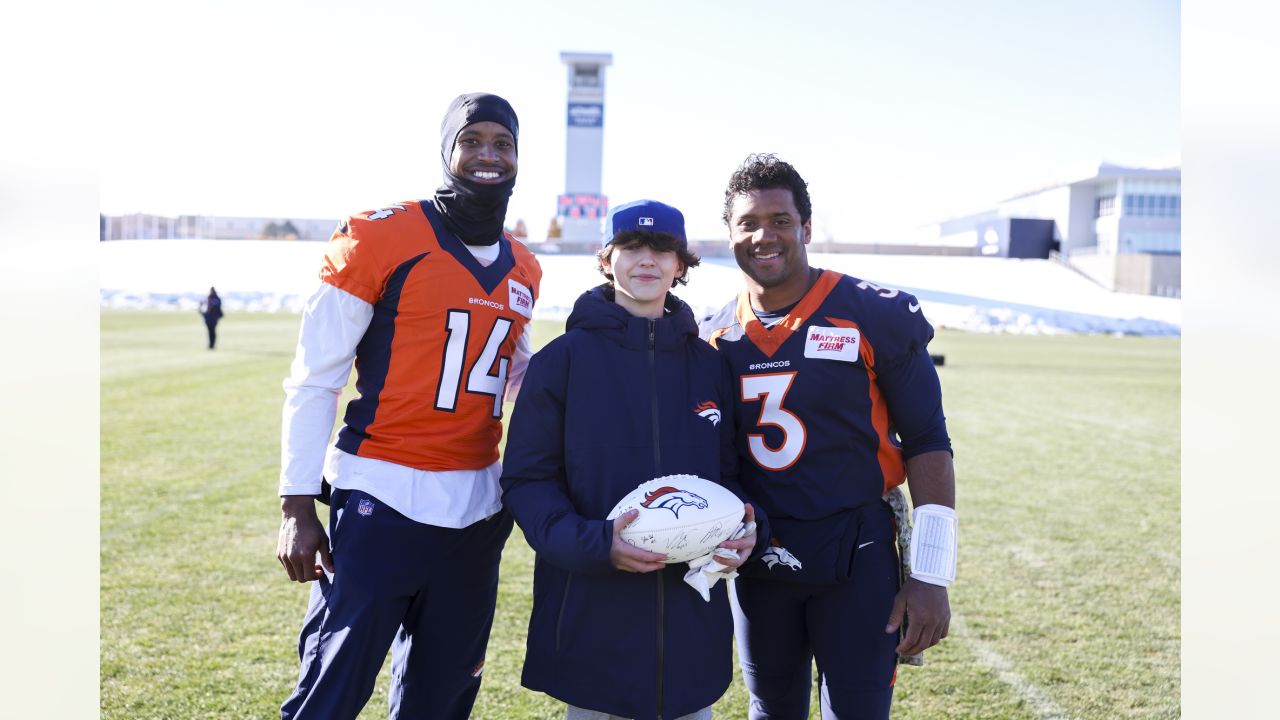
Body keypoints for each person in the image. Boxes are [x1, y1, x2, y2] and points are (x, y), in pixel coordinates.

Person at [274, 92, 542, 720]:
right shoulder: (379, 235)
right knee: (331, 693)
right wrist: (294, 503)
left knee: (441, 700)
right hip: (381, 495)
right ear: (446, 151)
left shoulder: (525, 265)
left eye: (502, 144)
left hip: (477, 509)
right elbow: (315, 378)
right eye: (471, 140)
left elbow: (514, 373)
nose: (487, 155)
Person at [699, 154, 957, 720]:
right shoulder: (714, 333)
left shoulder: (870, 312)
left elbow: (928, 440)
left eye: (781, 220)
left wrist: (932, 575)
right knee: (771, 711)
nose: (764, 235)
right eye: (748, 223)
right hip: (760, 552)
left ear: (807, 228)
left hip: (857, 550)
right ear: (729, 235)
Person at [500, 200, 769, 720]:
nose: (646, 260)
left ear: (681, 266)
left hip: (692, 628)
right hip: (596, 619)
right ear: (606, 259)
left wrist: (746, 529)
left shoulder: (710, 366)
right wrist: (599, 544)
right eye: (631, 247)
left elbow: (733, 478)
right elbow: (526, 483)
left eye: (662, 249)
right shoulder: (561, 362)